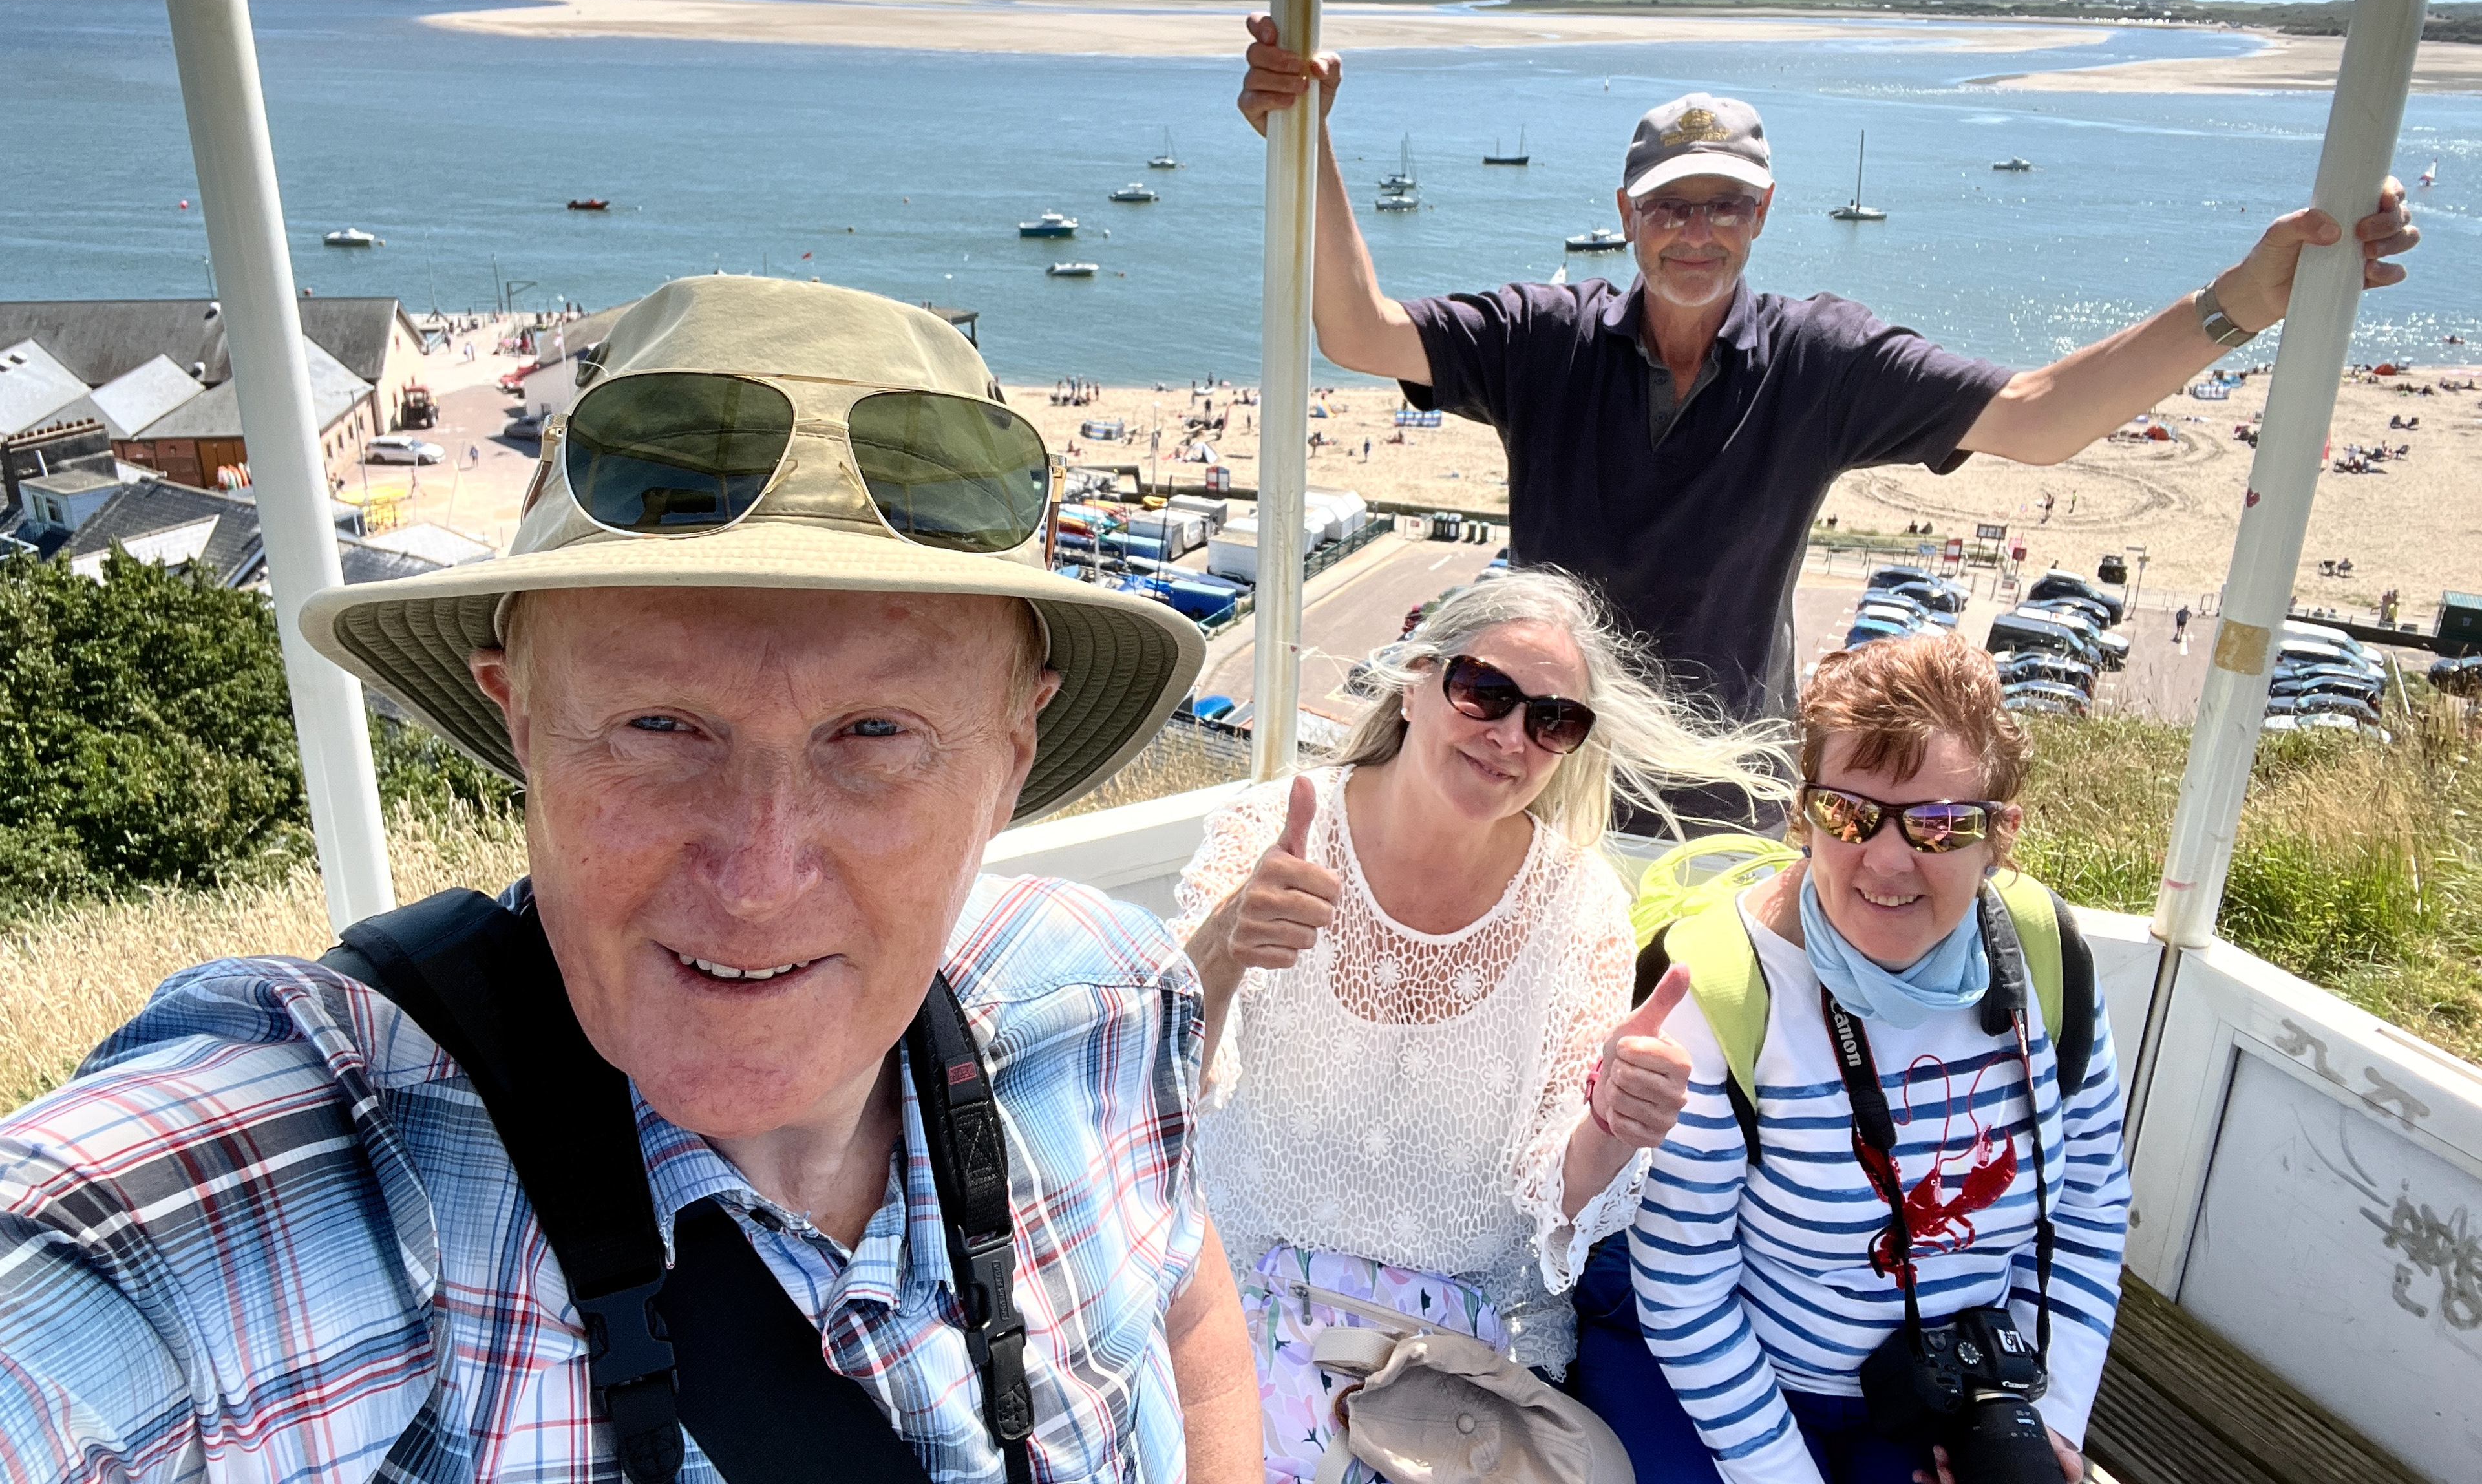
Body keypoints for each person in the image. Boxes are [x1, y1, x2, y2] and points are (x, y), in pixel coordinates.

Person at [0, 277, 1259, 1483]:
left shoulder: (1102, 1001)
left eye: (875, 734)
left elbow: (1179, 1300)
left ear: (1012, 754)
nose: (759, 875)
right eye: (660, 727)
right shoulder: (352, 1172)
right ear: (522, 722)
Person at [1236, 20, 2419, 831]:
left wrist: (2242, 300)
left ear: (1763, 214)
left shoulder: (1820, 360)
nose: (1696, 231)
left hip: (1725, 803)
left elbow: (2041, 419)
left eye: (1726, 205)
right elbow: (1360, 331)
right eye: (1670, 207)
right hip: (1542, 779)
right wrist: (1310, 138)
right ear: (1626, 216)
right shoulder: (1545, 337)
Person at [1174, 569, 1789, 1463]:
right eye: (1485, 691)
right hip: (1245, 1314)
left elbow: (1556, 1192)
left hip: (1468, 1364)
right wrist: (1225, 947)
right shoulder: (1270, 836)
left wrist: (1614, 1123)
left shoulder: (1580, 909)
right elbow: (1158, 1084)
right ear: (1414, 681)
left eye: (1553, 720)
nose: (1510, 737)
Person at [1573, 633, 2129, 1483]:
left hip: (1938, 1388)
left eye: (1940, 824)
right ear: (1803, 817)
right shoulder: (1720, 984)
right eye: (1848, 814)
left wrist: (2044, 1424)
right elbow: (1686, 1290)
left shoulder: (2045, 956)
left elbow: (2089, 1206)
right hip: (1714, 1369)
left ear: (1999, 835)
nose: (1889, 859)